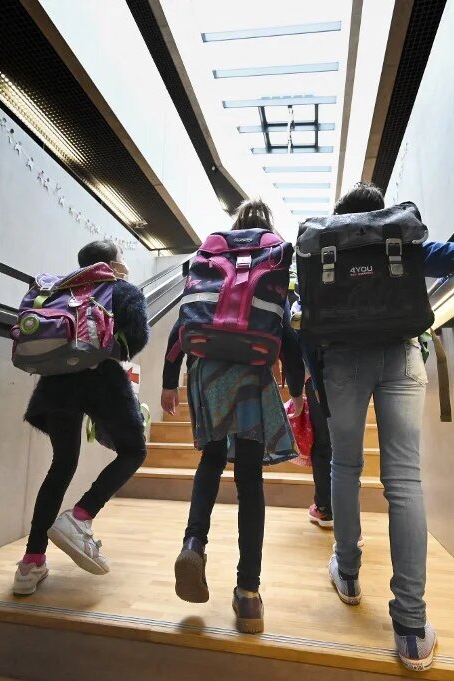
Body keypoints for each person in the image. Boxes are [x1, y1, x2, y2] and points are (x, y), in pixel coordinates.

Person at [317, 183, 454, 671]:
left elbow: (305, 316)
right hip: (401, 356)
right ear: (382, 215)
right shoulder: (400, 243)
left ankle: (348, 575)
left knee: (345, 467)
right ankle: (411, 628)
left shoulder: (325, 251)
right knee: (405, 482)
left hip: (342, 364)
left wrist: (316, 380)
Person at [161, 199, 304, 634]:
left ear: (236, 223)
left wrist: (168, 381)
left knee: (209, 459)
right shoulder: (273, 258)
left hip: (206, 370)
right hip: (252, 371)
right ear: (267, 226)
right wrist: (298, 389)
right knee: (249, 479)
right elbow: (287, 332)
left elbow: (180, 325)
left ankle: (193, 542)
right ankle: (248, 594)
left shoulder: (211, 256)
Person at [13, 240, 150, 595]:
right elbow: (136, 340)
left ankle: (31, 562)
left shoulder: (59, 290)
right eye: (122, 259)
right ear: (112, 264)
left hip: (56, 384)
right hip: (101, 380)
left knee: (61, 466)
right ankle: (81, 516)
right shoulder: (121, 289)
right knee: (134, 451)